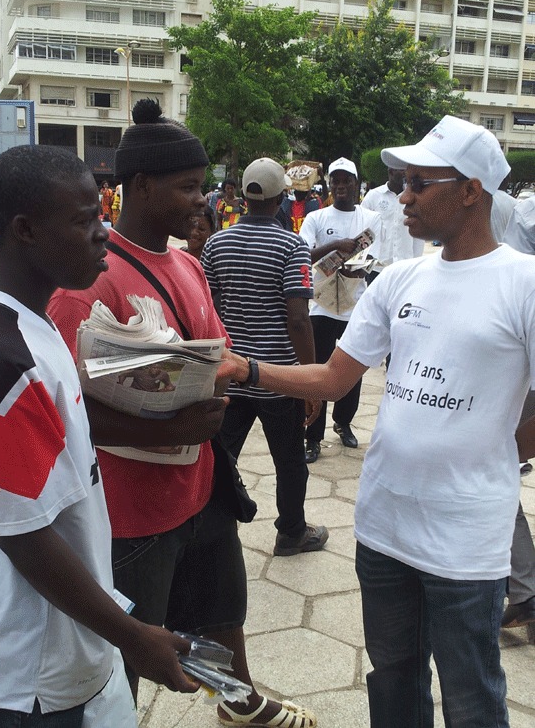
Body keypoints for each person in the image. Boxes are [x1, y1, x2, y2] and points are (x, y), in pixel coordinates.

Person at [221, 115, 535, 728]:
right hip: (386, 527)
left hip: (465, 542)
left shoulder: (523, 283)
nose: (402, 196)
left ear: (471, 189)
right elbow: (335, 379)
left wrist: (492, 452)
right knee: (392, 678)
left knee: (472, 695)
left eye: (419, 182)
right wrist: (244, 371)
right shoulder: (400, 279)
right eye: (401, 181)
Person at [49, 100, 317, 728]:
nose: (204, 200)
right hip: (132, 508)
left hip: (200, 484)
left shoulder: (191, 264)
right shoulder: (91, 281)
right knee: (132, 642)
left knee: (224, 605)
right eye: (189, 187)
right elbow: (67, 409)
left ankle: (238, 701)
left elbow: (216, 349)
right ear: (141, 187)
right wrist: (162, 426)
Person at [0, 144, 198, 727]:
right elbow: (24, 537)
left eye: (100, 215)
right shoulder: (1, 361)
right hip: (33, 672)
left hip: (76, 643)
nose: (103, 233)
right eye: (84, 221)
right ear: (25, 230)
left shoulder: (39, 324)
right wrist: (134, 636)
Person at [202, 157, 328, 557]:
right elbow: (298, 320)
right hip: (276, 379)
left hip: (230, 374)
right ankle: (291, 532)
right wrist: (311, 379)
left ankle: (208, 530)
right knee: (290, 462)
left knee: (220, 457)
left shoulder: (216, 242)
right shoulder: (293, 246)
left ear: (242, 197)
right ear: (281, 198)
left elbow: (207, 307)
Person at [300, 157, 382, 464]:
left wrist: (361, 270)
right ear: (330, 185)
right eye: (337, 181)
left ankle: (344, 421)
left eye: (348, 181)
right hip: (320, 304)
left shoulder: (371, 218)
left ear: (357, 184)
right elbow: (303, 254)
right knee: (320, 369)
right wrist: (335, 245)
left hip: (355, 305)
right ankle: (312, 436)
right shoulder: (317, 218)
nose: (342, 186)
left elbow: (377, 256)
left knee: (353, 368)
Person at [500, 194, 535, 629]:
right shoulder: (521, 207)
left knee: (494, 467)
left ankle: (526, 590)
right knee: (497, 470)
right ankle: (525, 590)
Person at [360, 166, 424, 281]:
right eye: (401, 170)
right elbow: (360, 228)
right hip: (377, 268)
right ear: (390, 172)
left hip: (405, 268)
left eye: (406, 170)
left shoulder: (414, 199)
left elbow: (419, 233)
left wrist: (416, 262)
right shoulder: (373, 196)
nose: (405, 173)